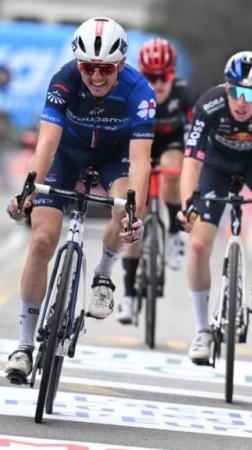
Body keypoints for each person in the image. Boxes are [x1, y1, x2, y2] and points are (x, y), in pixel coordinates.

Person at [4, 17, 153, 383]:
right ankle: (24, 344)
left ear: (120, 65)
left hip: (114, 157)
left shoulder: (140, 92)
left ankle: (103, 275)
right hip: (67, 155)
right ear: (78, 63)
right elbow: (46, 145)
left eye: (105, 68)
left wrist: (135, 213)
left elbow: (140, 163)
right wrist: (27, 191)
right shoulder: (64, 80)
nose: (96, 76)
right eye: (88, 67)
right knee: (40, 241)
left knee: (126, 207)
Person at [177, 51, 252, 364]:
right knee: (198, 247)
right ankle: (202, 330)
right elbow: (191, 160)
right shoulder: (209, 104)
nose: (240, 101)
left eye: (249, 94)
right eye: (234, 91)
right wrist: (187, 202)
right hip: (215, 167)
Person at [117, 37, 197, 324]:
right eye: (151, 77)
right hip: (141, 147)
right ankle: (127, 295)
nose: (158, 84)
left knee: (172, 166)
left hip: (171, 145)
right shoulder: (134, 92)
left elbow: (194, 137)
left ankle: (174, 233)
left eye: (163, 77)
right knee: (136, 217)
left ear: (172, 75)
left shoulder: (184, 95)